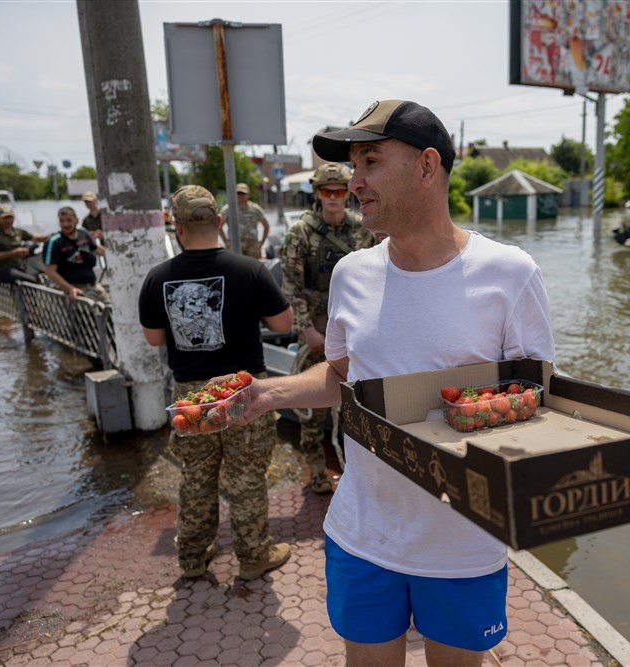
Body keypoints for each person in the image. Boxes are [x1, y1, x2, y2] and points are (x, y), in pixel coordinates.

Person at [232, 100, 555, 666]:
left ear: (428, 166)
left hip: (462, 543)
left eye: (371, 162)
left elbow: (540, 406)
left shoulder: (510, 275)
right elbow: (342, 375)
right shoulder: (352, 273)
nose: (354, 183)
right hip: (363, 533)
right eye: (352, 167)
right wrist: (267, 394)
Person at [138, 185, 295, 581]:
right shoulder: (251, 270)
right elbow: (284, 324)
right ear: (219, 222)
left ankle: (192, 557)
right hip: (243, 390)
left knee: (196, 475)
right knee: (246, 475)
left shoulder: (157, 279)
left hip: (190, 394)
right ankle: (253, 556)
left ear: (176, 226)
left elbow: (155, 339)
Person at [279, 162, 379, 494]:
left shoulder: (361, 230)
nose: (334, 198)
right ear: (317, 193)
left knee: (359, 402)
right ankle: (318, 472)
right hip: (316, 328)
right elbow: (291, 287)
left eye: (340, 191)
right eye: (326, 191)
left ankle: (357, 472)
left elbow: (376, 278)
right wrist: (307, 330)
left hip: (353, 326)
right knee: (312, 410)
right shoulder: (301, 232)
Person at [42, 206, 109, 303]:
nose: (66, 224)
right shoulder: (54, 242)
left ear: (76, 221)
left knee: (110, 309)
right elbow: (50, 271)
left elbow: (96, 249)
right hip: (73, 289)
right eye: (62, 221)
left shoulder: (84, 234)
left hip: (92, 285)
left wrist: (116, 256)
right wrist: (70, 289)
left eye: (69, 220)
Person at [0, 207, 47, 284]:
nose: (9, 220)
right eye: (5, 218)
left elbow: (35, 238)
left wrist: (51, 236)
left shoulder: (18, 231)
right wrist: (13, 253)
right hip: (2, 270)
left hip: (19, 267)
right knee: (31, 279)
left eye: (10, 217)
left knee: (39, 275)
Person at [218, 183, 270, 259]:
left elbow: (266, 225)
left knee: (254, 268)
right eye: (238, 193)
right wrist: (226, 242)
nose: (240, 196)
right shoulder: (227, 209)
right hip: (234, 246)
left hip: (252, 246)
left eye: (243, 194)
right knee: (235, 269)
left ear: (248, 194)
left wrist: (261, 243)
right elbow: (219, 226)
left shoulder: (255, 209)